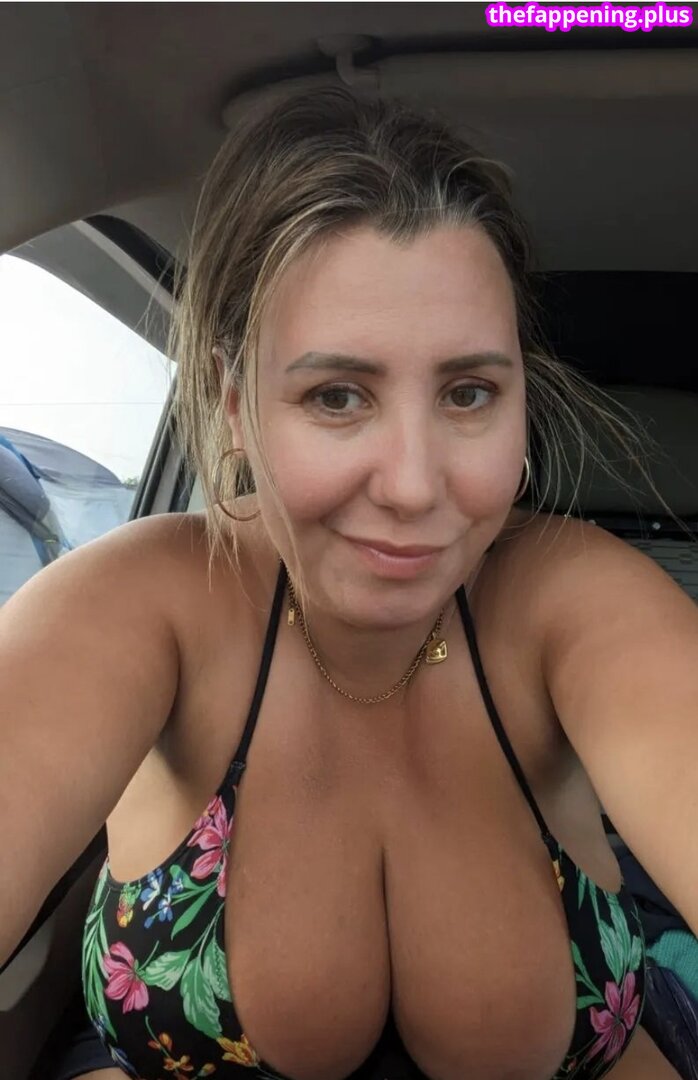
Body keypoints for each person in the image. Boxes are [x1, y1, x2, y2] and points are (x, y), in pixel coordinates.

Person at [1, 88, 696, 1080]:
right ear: (234, 401)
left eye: (468, 393)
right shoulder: (144, 600)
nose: (413, 486)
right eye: (336, 396)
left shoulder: (575, 599)